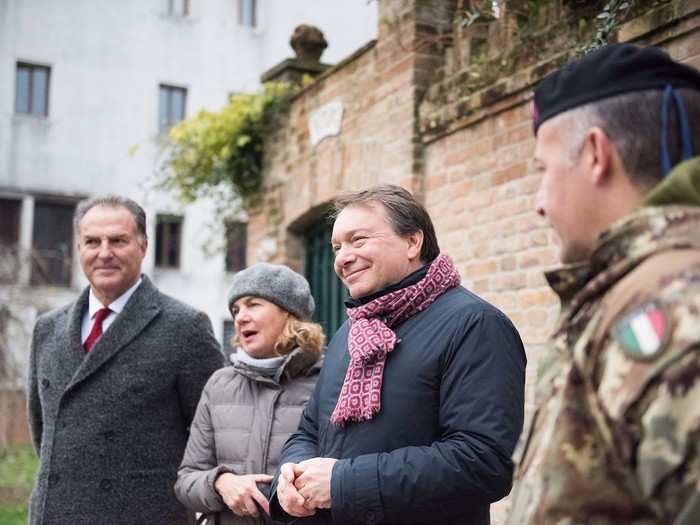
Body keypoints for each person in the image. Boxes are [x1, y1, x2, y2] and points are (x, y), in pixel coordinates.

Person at [509, 44, 700, 524]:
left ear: (595, 154)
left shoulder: (673, 305)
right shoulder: (629, 289)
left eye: (543, 171)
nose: (539, 203)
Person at [270, 185, 527, 525]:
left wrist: (342, 483)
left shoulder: (475, 325)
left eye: (358, 240)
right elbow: (309, 432)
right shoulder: (351, 332)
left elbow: (484, 461)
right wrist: (289, 477)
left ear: (412, 242)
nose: (342, 258)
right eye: (336, 247)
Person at [27, 195, 224, 525]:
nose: (104, 253)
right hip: (54, 514)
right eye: (92, 241)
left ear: (143, 247)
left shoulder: (185, 327)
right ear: (79, 248)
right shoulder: (47, 328)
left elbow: (214, 432)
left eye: (118, 240)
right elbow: (43, 431)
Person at [175, 263, 325, 524]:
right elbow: (187, 480)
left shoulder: (327, 382)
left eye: (253, 304)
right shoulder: (219, 385)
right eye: (235, 309)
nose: (240, 317)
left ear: (289, 312)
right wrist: (221, 483)